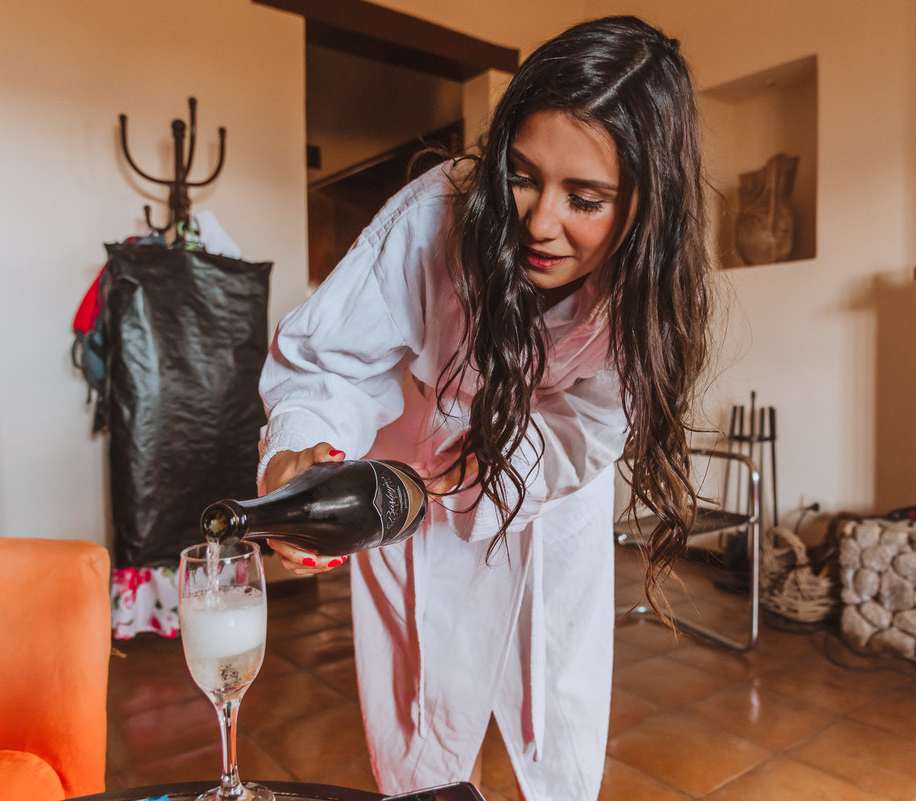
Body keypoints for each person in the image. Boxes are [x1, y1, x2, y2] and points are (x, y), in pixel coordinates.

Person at [257, 15, 712, 801]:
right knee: (418, 705)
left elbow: (593, 420)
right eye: (524, 175)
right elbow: (327, 356)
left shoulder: (646, 291)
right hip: (417, 469)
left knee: (556, 698)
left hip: (555, 491)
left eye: (586, 198)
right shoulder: (433, 215)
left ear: (645, 204)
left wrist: (511, 454)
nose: (540, 223)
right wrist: (299, 450)